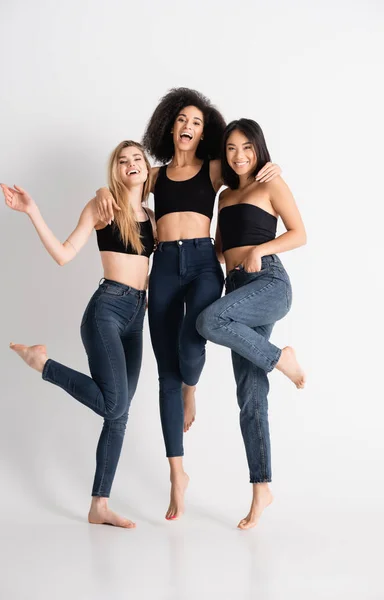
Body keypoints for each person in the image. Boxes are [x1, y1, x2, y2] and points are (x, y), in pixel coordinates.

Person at [94, 89, 282, 520]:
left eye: (197, 123)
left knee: (194, 337)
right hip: (163, 268)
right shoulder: (155, 177)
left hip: (201, 264)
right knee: (165, 373)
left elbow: (245, 166)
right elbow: (124, 186)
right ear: (169, 125)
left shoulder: (214, 170)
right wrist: (101, 192)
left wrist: (272, 168)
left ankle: (190, 389)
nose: (188, 127)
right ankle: (177, 474)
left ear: (204, 133)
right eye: (182, 119)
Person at [0, 141, 156, 528]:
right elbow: (64, 253)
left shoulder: (154, 218)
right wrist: (32, 211)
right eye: (123, 161)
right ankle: (42, 363)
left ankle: (98, 506)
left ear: (147, 169)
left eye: (137, 159)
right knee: (115, 405)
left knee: (118, 415)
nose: (131, 164)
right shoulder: (104, 207)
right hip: (106, 310)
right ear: (115, 171)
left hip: (137, 317)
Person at [195, 119, 306, 530]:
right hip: (237, 284)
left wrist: (261, 248)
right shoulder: (223, 196)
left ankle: (281, 359)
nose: (239, 156)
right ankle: (262, 489)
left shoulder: (270, 184)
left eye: (246, 147)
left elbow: (299, 233)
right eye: (230, 149)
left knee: (211, 320)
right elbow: (221, 252)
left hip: (270, 282)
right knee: (250, 395)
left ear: (258, 149)